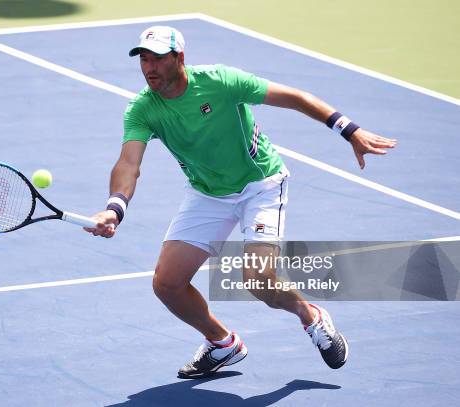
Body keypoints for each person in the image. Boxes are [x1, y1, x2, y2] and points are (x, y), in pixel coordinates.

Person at [84, 26, 396, 378]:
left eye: (158, 58)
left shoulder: (220, 81)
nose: (150, 67)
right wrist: (114, 208)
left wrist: (349, 130)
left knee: (259, 279)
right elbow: (129, 163)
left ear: (180, 59)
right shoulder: (143, 109)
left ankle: (311, 317)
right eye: (144, 59)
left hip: (259, 184)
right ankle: (222, 343)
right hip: (207, 193)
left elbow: (294, 97)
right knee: (166, 283)